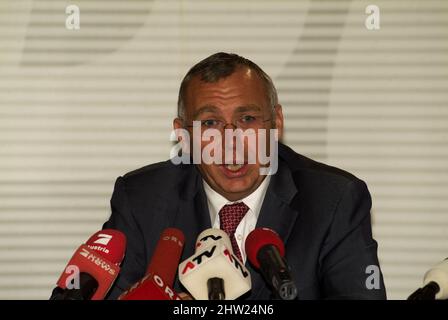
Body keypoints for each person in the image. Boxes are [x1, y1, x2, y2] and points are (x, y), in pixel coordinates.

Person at [103, 52, 386, 300]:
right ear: (184, 137)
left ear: (276, 123)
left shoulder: (333, 201)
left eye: (247, 119)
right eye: (211, 123)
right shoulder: (142, 199)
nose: (230, 142)